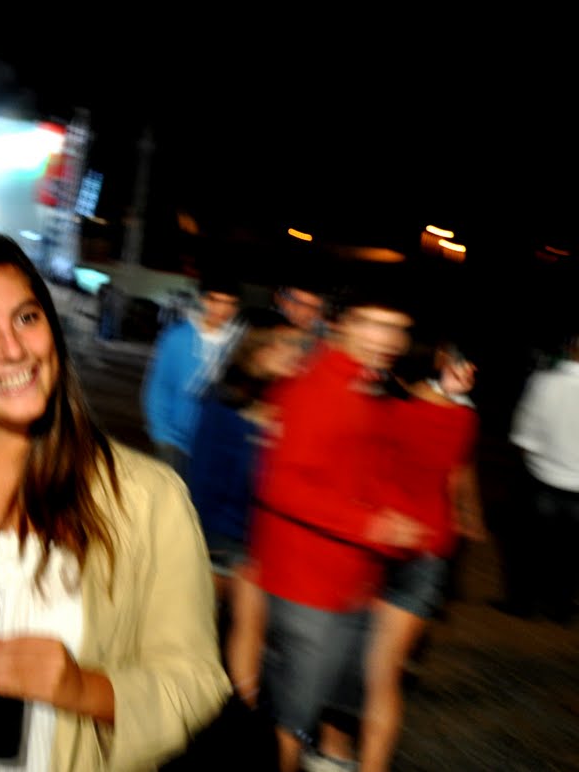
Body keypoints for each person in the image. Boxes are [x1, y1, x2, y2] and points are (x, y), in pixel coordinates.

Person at [0, 234, 230, 770]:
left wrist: (84, 689)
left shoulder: (145, 500)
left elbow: (198, 685)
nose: (14, 350)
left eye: (27, 318)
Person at [247, 286, 432, 772]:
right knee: (291, 716)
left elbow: (365, 473)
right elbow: (280, 486)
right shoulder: (315, 388)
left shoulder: (367, 386)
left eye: (397, 329)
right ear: (341, 324)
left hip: (350, 582)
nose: (387, 339)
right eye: (374, 324)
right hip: (307, 585)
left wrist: (399, 516)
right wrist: (371, 525)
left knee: (327, 705)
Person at [317, 339, 483, 772]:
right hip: (428, 550)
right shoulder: (464, 418)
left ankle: (333, 753)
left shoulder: (382, 412)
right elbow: (454, 479)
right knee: (384, 673)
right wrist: (468, 519)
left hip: (372, 546)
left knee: (345, 659)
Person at [186, 309, 309, 703]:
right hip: (216, 533)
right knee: (195, 629)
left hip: (257, 539)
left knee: (249, 628)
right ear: (260, 350)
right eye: (288, 345)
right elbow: (204, 476)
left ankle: (243, 714)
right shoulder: (224, 402)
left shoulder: (289, 399)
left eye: (300, 345)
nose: (297, 353)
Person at [505, 332, 579, 622]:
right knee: (571, 552)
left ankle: (524, 604)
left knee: (530, 547)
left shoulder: (544, 382)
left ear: (571, 349)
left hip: (542, 478)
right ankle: (561, 607)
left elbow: (524, 435)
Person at [141, 273, 242, 480]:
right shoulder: (177, 337)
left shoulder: (239, 344)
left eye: (230, 304)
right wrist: (161, 433)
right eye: (215, 300)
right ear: (203, 299)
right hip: (174, 440)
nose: (222, 310)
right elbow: (159, 385)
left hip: (215, 443)